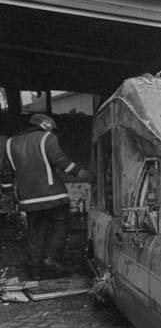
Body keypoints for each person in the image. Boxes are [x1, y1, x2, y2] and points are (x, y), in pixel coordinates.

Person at [2, 114, 94, 279]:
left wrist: (8, 196)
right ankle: (51, 258)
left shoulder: (9, 144)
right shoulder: (47, 138)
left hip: (28, 200)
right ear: (47, 126)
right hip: (54, 195)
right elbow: (61, 162)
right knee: (61, 225)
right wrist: (82, 173)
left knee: (35, 233)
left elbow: (6, 175)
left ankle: (35, 271)